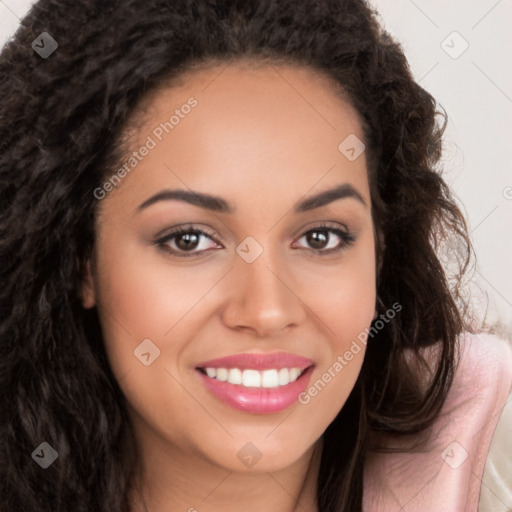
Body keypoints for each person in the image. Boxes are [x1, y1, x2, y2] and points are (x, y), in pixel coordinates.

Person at [0, 1, 510, 511]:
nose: (267, 310)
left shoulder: (487, 455)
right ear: (81, 260)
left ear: (379, 250)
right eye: (189, 240)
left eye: (320, 237)